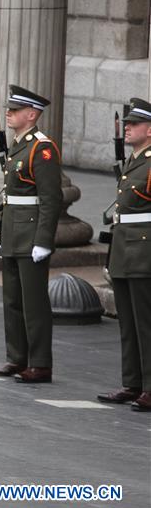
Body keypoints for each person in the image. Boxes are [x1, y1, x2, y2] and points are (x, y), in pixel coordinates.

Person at [0, 85, 62, 382]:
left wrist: (44, 240)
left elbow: (50, 198)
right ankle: (16, 357)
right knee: (13, 300)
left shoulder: (41, 148)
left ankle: (40, 363)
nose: (9, 113)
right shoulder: (18, 145)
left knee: (34, 303)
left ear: (31, 114)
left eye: (15, 110)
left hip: (30, 233)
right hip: (13, 231)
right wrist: (2, 236)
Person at [97, 97, 151, 411]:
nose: (127, 128)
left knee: (145, 321)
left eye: (134, 124)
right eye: (127, 124)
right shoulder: (134, 160)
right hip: (124, 245)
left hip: (144, 247)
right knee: (127, 322)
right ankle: (132, 381)